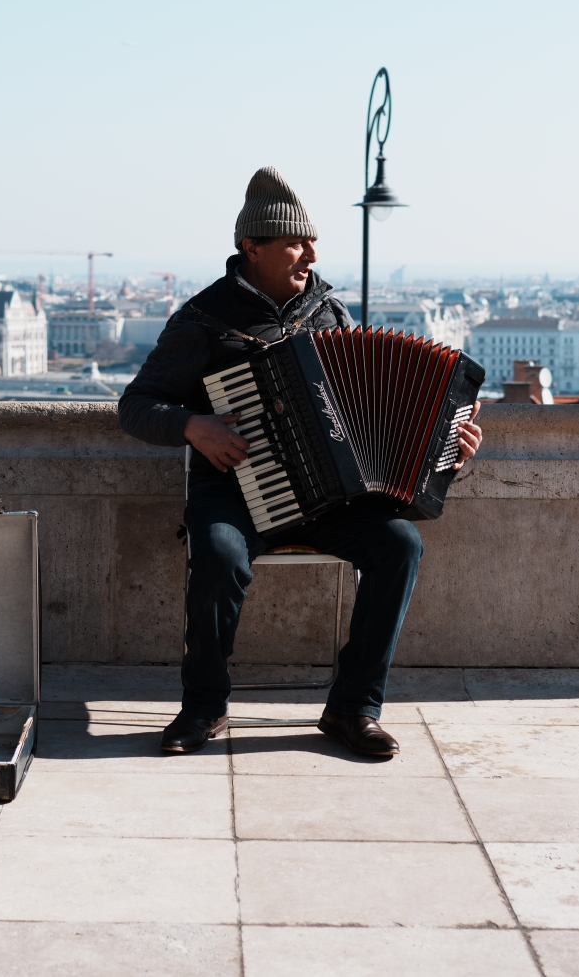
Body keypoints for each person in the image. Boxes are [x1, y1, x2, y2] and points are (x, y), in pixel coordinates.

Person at [118, 166, 481, 758]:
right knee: (217, 555)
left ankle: (353, 708)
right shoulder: (202, 320)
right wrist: (192, 424)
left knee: (399, 545)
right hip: (234, 489)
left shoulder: (330, 314)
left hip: (328, 496)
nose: (310, 254)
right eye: (295, 243)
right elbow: (135, 405)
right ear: (251, 248)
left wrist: (449, 451)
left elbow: (377, 411)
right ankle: (204, 706)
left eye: (312, 242)